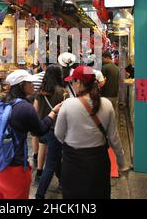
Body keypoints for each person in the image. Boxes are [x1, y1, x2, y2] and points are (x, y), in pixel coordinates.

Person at [0, 70, 62, 199]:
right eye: (29, 82)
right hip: (12, 171)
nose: (33, 85)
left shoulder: (1, 103)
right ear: (21, 86)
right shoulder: (24, 107)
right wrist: (53, 112)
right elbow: (39, 131)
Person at [54, 66, 124, 199]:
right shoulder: (107, 104)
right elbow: (114, 138)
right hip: (98, 162)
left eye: (73, 81)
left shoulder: (68, 104)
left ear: (79, 82)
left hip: (73, 162)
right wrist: (121, 162)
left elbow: (58, 134)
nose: (72, 84)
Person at [34, 65, 68, 199]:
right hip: (56, 131)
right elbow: (66, 113)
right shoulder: (63, 92)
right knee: (51, 164)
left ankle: (61, 181)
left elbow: (35, 111)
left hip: (42, 129)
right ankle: (39, 194)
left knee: (55, 159)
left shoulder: (40, 92)